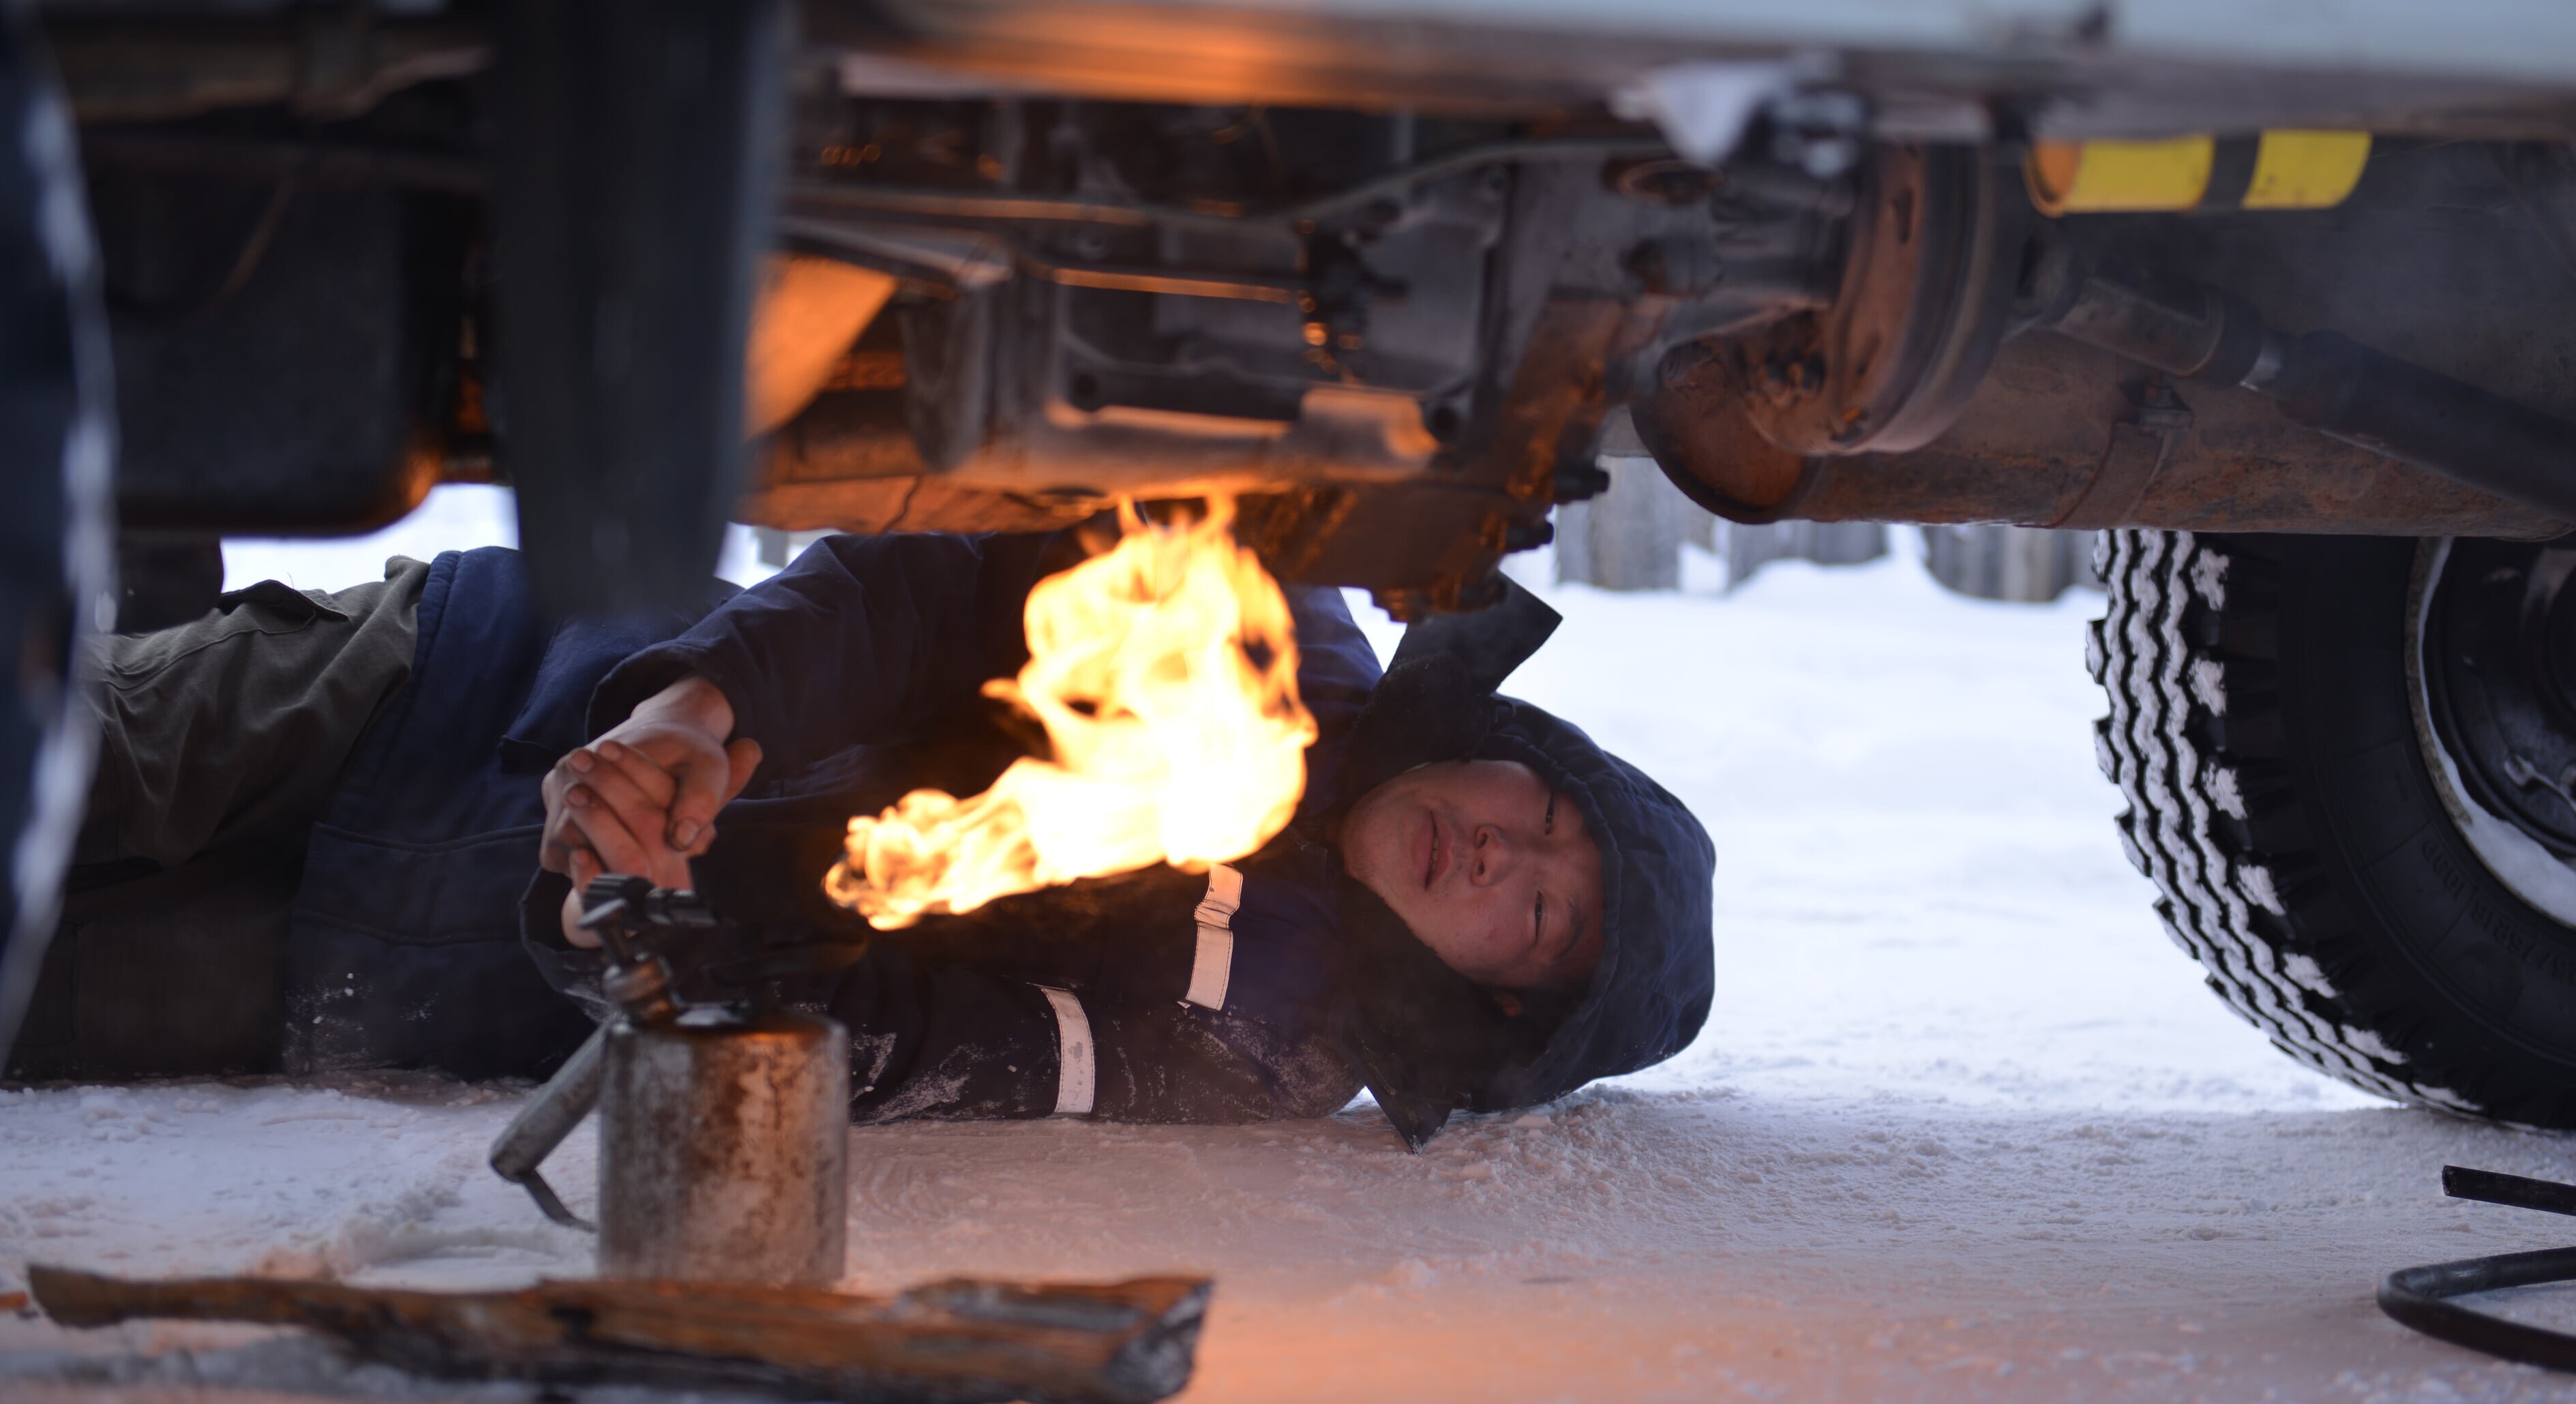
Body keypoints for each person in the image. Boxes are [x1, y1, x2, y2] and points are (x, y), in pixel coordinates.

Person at [15, 528, 1715, 1148]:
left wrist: (665, 949)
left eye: (1543, 920)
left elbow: (896, 1051)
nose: (1504, 858)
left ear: (1498, 1011)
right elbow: (928, 584)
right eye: (1541, 813)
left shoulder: (1249, 1041)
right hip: (453, 686)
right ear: (1511, 753)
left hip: (406, 968)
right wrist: (699, 705)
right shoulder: (1269, 623)